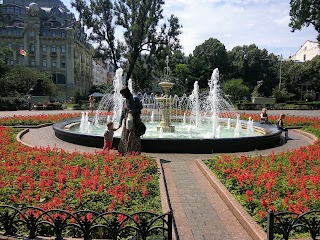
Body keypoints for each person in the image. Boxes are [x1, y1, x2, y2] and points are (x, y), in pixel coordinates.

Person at [118, 87, 143, 154]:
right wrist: (120, 122)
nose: (122, 96)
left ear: (126, 93)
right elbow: (123, 112)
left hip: (135, 120)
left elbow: (141, 107)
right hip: (127, 120)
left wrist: (134, 111)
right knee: (126, 135)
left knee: (134, 135)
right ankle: (125, 151)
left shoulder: (135, 98)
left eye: (123, 94)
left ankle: (134, 151)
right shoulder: (125, 101)